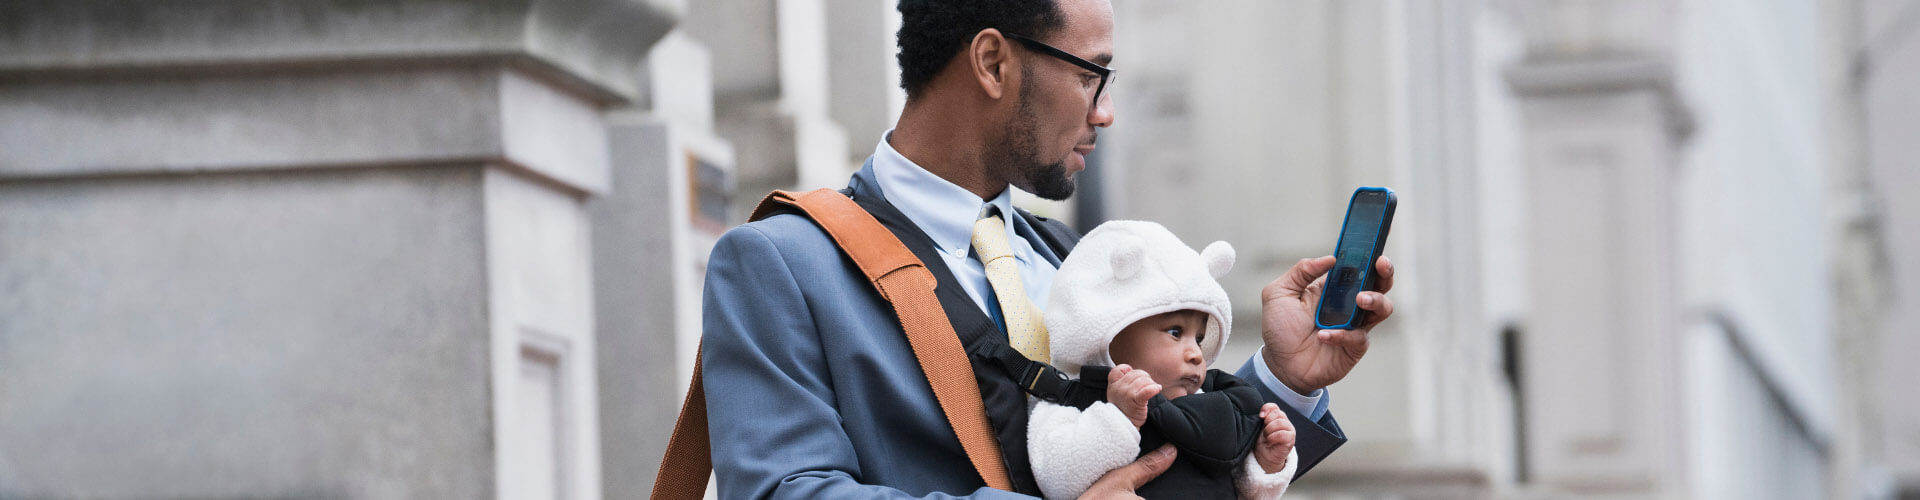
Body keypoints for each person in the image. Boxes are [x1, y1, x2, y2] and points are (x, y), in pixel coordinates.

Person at [698, 0, 1397, 497]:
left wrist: (1285, 380)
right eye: (1091, 73)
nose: (1106, 112)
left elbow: (1176, 464)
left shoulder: (1073, 260)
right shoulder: (781, 263)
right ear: (994, 62)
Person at [1027, 221, 1298, 500]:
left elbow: (1241, 486)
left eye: (1200, 338)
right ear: (1111, 332)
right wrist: (1118, 419)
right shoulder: (1071, 401)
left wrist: (1265, 461)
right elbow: (1057, 477)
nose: (1195, 353)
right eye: (1175, 332)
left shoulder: (1210, 404)